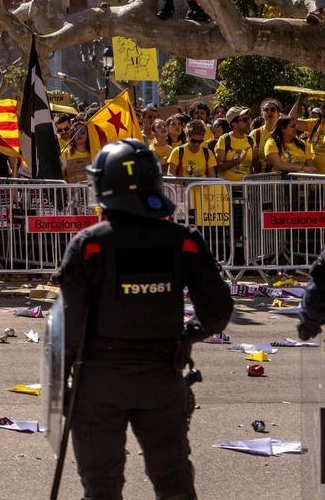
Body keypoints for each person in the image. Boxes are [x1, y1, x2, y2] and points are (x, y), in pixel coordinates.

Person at [57, 139, 232, 499]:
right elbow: (218, 310)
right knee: (174, 485)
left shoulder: (89, 245)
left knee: (101, 489)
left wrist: (61, 384)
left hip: (99, 384)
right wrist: (187, 336)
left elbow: (68, 325)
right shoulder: (183, 241)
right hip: (161, 379)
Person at [214, 107, 254, 181]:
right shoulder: (224, 140)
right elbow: (218, 168)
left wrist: (256, 159)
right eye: (245, 120)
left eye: (248, 118)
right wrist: (237, 160)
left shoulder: (250, 140)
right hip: (229, 186)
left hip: (246, 186)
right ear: (234, 124)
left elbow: (252, 168)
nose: (249, 122)